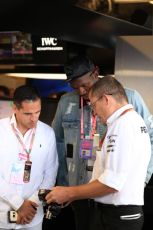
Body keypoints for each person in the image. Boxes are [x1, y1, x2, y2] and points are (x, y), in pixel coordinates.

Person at [51, 55, 153, 230]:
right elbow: (58, 142)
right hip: (81, 191)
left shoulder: (127, 102)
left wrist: (141, 179)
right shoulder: (66, 102)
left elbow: (149, 137)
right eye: (76, 87)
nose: (82, 92)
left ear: (96, 73)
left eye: (84, 85)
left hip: (115, 198)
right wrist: (65, 183)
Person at [0, 85, 58, 230]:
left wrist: (30, 204)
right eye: (28, 114)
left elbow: (50, 173)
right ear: (15, 108)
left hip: (33, 215)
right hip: (3, 214)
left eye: (37, 112)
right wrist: (19, 204)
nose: (34, 119)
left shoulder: (47, 133)